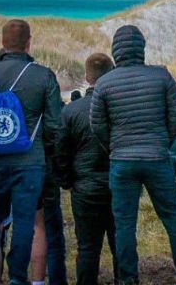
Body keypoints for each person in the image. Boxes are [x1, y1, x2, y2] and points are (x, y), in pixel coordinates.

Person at [90, 25, 176, 285]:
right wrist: (163, 142)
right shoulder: (161, 77)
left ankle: (128, 279)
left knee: (125, 225)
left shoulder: (105, 83)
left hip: (121, 160)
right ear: (141, 49)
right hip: (156, 157)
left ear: (116, 51)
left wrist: (114, 146)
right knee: (173, 218)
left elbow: (97, 124)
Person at [0, 20, 63, 285]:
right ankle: (20, 279)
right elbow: (55, 125)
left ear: (2, 43)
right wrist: (45, 150)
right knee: (25, 222)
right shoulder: (44, 75)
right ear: (29, 43)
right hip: (31, 162)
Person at [56, 53, 118, 285]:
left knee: (88, 248)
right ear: (111, 73)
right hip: (117, 183)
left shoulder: (72, 111)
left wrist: (67, 180)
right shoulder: (119, 109)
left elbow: (61, 151)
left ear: (86, 76)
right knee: (121, 243)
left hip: (85, 186)